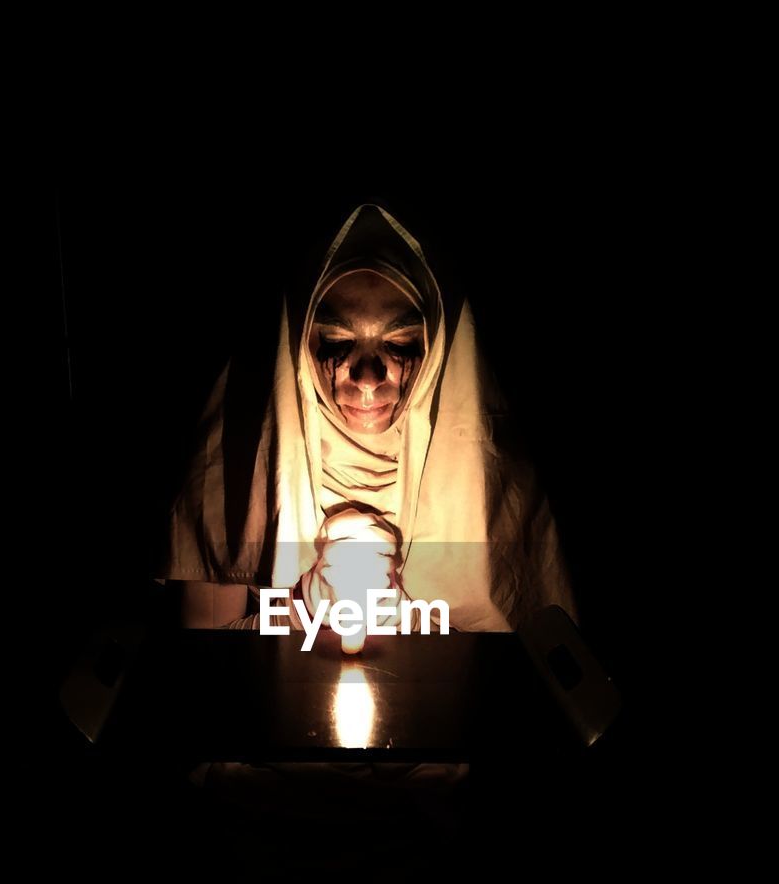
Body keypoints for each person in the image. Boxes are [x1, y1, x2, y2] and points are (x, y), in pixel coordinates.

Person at [159, 201, 577, 636]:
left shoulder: (500, 479)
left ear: (434, 347)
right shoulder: (235, 456)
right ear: (302, 342)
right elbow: (202, 654)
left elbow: (531, 666)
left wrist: (405, 614)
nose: (367, 379)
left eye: (399, 342)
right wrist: (306, 607)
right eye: (339, 339)